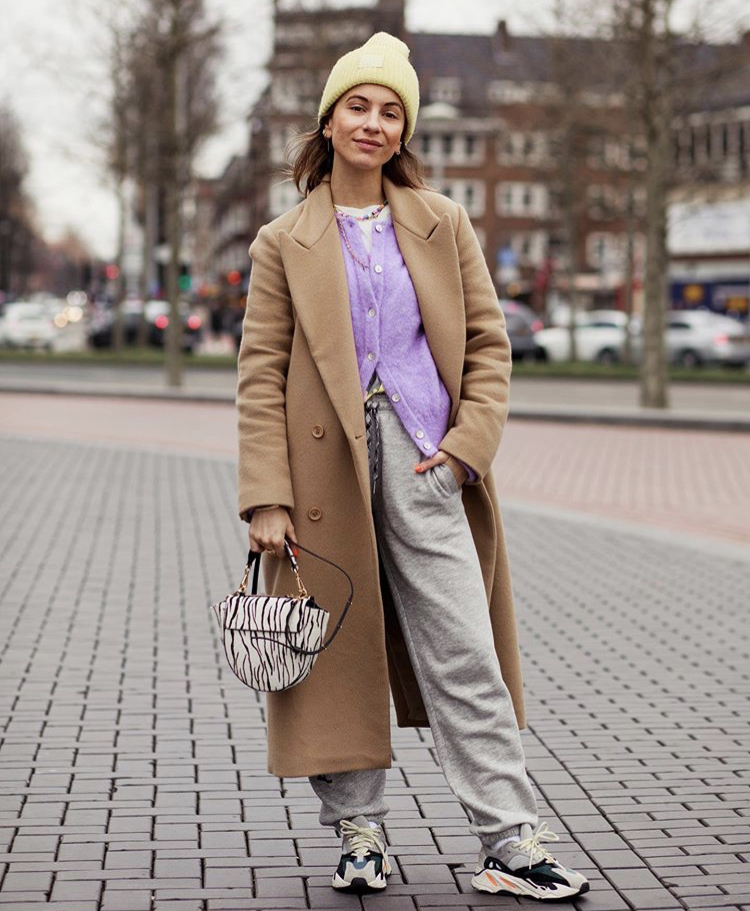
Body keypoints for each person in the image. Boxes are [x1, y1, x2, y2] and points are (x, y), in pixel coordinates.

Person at [236, 30, 590, 902]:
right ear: (329, 117)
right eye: (359, 104)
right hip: (323, 485)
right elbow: (259, 373)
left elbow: (489, 347)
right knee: (336, 656)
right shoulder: (283, 240)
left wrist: (467, 451)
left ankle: (509, 840)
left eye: (392, 111)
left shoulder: (444, 223)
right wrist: (265, 498)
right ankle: (359, 834)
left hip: (428, 460)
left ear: (405, 131)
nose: (374, 122)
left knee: (467, 652)